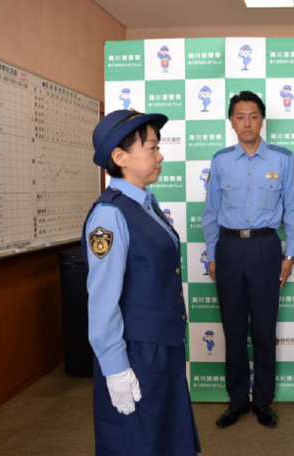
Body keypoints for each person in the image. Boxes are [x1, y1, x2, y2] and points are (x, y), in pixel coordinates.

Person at [82, 109, 201, 455]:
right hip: (135, 352)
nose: (160, 155)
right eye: (151, 148)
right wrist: (116, 368)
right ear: (120, 157)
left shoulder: (147, 204)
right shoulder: (109, 215)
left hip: (161, 347)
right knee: (138, 441)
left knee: (164, 437)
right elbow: (102, 301)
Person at [202, 91, 294, 428]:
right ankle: (236, 401)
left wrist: (290, 254)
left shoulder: (282, 159)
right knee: (232, 329)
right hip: (229, 249)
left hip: (265, 248)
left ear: (262, 119)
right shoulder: (220, 161)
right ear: (231, 121)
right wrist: (213, 255)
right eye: (240, 116)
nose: (247, 123)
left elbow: (293, 211)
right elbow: (211, 213)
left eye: (253, 116)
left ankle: (262, 400)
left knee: (262, 328)